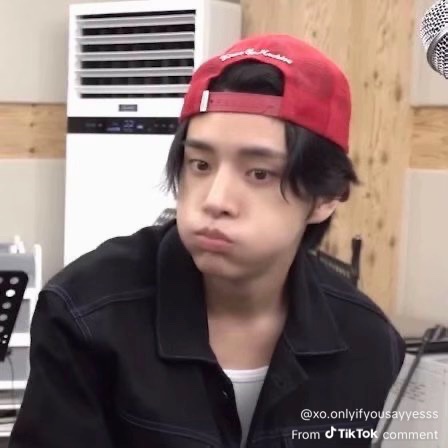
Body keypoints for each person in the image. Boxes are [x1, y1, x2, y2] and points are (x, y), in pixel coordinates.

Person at [9, 34, 405, 448]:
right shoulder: (85, 314)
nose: (215, 200)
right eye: (200, 164)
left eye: (259, 173)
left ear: (326, 197)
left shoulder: (369, 344)